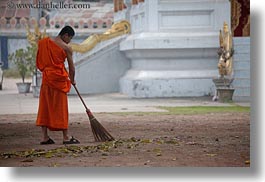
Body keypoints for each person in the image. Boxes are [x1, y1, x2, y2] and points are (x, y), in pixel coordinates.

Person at [36, 26, 80, 145]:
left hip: (47, 78)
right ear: (66, 35)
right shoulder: (66, 48)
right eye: (70, 38)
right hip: (59, 80)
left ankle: (45, 137)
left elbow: (41, 61)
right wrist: (73, 80)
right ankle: (66, 136)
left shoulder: (45, 42)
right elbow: (72, 67)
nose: (69, 41)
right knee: (61, 108)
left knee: (45, 107)